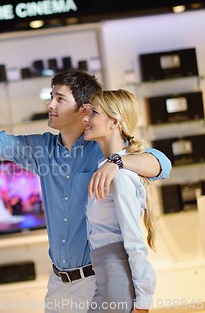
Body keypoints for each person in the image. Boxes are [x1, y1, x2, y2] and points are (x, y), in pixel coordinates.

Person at [0, 70, 171, 313]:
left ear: (83, 110)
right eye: (51, 97)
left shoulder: (103, 149)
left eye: (59, 99)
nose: (50, 105)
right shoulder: (42, 150)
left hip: (97, 280)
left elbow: (162, 163)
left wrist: (117, 162)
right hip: (58, 283)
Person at [83, 90, 155, 313]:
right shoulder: (105, 167)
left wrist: (143, 303)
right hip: (105, 277)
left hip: (116, 281)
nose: (85, 118)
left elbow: (135, 242)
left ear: (114, 122)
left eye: (93, 113)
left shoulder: (119, 175)